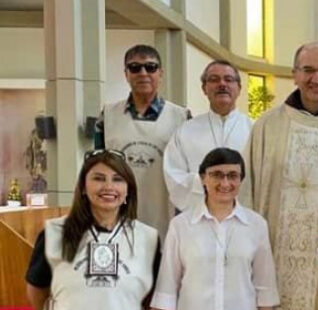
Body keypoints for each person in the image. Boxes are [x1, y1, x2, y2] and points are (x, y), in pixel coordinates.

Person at [240, 42, 318, 310]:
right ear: (295, 74)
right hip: (274, 260)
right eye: (308, 70)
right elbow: (246, 192)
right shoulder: (267, 125)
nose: (316, 79)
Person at [25, 149, 159, 310]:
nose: (109, 186)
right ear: (83, 187)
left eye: (118, 179)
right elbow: (37, 290)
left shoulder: (147, 237)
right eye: (98, 178)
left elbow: (155, 299)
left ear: (128, 190)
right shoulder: (54, 233)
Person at [152, 148, 279, 310]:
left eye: (232, 175)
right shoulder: (181, 225)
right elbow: (166, 290)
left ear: (241, 180)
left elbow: (265, 289)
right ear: (203, 178)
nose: (225, 183)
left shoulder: (256, 225)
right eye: (217, 175)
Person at [95, 44, 191, 236]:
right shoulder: (108, 116)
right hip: (117, 220)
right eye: (135, 67)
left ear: (161, 73)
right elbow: (96, 171)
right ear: (126, 74)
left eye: (151, 67)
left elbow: (189, 176)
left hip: (166, 220)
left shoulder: (182, 118)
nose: (143, 73)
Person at [163, 60, 252, 211]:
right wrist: (208, 181)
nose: (222, 84)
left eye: (228, 79)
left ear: (239, 88)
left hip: (244, 217)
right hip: (199, 217)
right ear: (204, 88)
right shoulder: (186, 131)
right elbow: (174, 177)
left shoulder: (255, 130)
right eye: (214, 79)